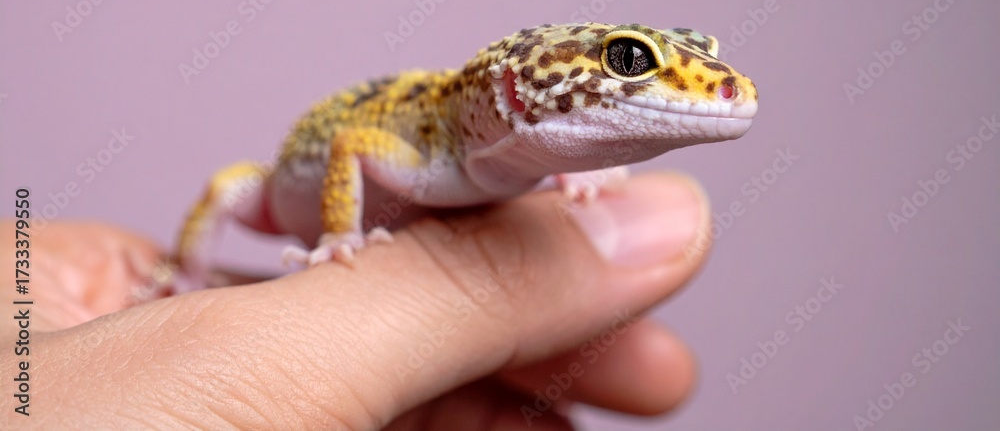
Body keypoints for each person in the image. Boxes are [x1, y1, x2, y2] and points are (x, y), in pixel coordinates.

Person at [2, 172, 710, 429]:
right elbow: (352, 145)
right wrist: (341, 232)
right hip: (305, 203)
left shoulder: (522, 159)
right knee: (231, 188)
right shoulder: (421, 142)